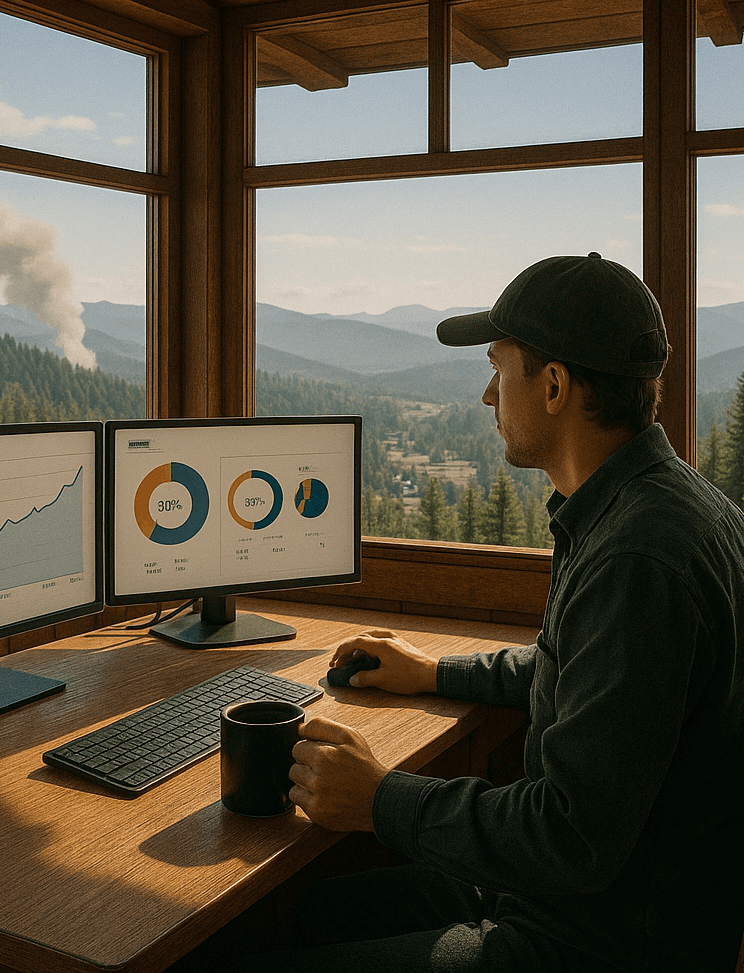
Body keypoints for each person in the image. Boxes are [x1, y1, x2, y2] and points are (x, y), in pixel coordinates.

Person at [249, 253, 744, 973]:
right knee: (315, 912)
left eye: (497, 368)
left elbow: (569, 837)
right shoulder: (659, 504)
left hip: (595, 940)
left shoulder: (638, 559)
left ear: (552, 386)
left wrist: (381, 798)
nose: (486, 395)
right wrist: (434, 672)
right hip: (597, 900)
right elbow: (594, 677)